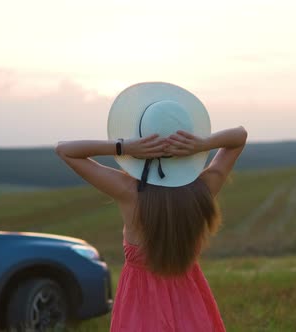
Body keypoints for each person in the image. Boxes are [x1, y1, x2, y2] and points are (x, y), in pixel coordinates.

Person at [56, 82, 247, 332]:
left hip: (139, 306)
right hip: (190, 301)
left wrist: (123, 146)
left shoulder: (129, 192)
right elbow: (239, 136)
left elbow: (65, 150)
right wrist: (203, 144)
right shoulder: (204, 189)